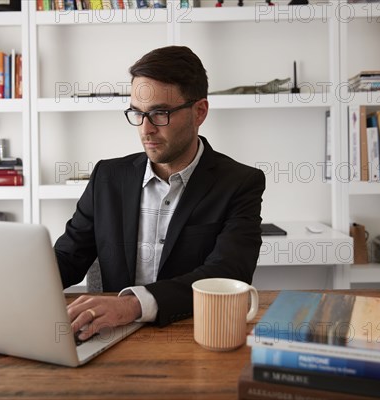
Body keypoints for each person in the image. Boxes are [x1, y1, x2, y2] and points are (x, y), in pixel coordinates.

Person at [55, 46, 266, 341]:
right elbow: (68, 258)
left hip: (193, 334)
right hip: (110, 336)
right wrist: (9, 285)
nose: (146, 129)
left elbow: (229, 273)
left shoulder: (239, 183)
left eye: (160, 114)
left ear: (199, 112)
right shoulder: (107, 177)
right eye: (137, 114)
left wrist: (132, 305)